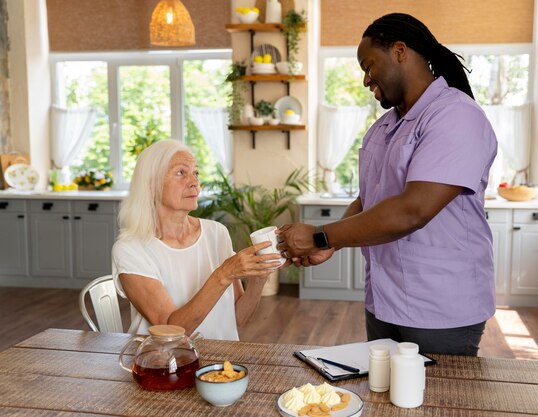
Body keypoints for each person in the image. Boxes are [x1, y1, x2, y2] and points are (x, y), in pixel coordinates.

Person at [277, 13, 498, 355]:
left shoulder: (456, 116)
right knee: (386, 399)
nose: (366, 79)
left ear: (398, 51)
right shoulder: (384, 127)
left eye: (369, 65)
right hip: (384, 299)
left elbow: (412, 211)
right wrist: (330, 244)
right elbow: (370, 200)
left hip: (440, 307)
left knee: (439, 404)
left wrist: (320, 235)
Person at [112, 139, 280, 339]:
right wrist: (225, 273)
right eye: (181, 172)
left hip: (220, 365)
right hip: (164, 364)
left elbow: (238, 319)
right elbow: (171, 330)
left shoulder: (216, 233)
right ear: (151, 184)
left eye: (195, 173)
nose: (194, 182)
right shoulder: (130, 248)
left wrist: (259, 278)